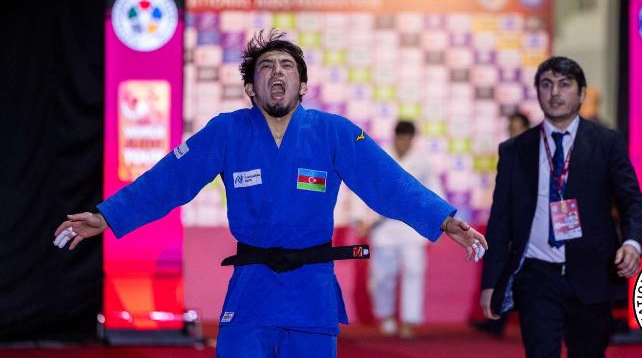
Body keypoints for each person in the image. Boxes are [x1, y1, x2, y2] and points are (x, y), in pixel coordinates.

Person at [54, 29, 488, 358]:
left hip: (311, 291)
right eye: (266, 67)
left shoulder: (334, 133)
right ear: (250, 89)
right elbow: (167, 180)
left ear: (303, 86)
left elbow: (390, 183)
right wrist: (107, 215)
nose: (277, 72)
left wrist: (444, 219)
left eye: (287, 66)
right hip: (252, 288)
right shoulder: (226, 132)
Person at [480, 56, 642, 358]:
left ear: (581, 94)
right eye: (546, 84)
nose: (555, 92)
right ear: (538, 92)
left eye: (564, 84)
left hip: (592, 274)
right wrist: (490, 282)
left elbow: (631, 200)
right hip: (536, 276)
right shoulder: (516, 150)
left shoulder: (606, 142)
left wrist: (632, 243)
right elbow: (500, 221)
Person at [357, 120, 441, 339]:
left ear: (413, 138)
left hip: (413, 226)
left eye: (408, 138)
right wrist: (361, 219)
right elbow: (365, 187)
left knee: (414, 271)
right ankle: (385, 317)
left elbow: (434, 192)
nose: (404, 142)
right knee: (383, 275)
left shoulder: (423, 161)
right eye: (401, 138)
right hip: (383, 226)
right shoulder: (380, 156)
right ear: (395, 136)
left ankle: (409, 321)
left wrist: (439, 222)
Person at [470, 111, 530, 336]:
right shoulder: (508, 152)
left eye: (518, 128)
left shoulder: (538, 153)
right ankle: (497, 318)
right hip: (509, 220)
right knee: (503, 266)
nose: (514, 132)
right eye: (511, 128)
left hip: (531, 224)